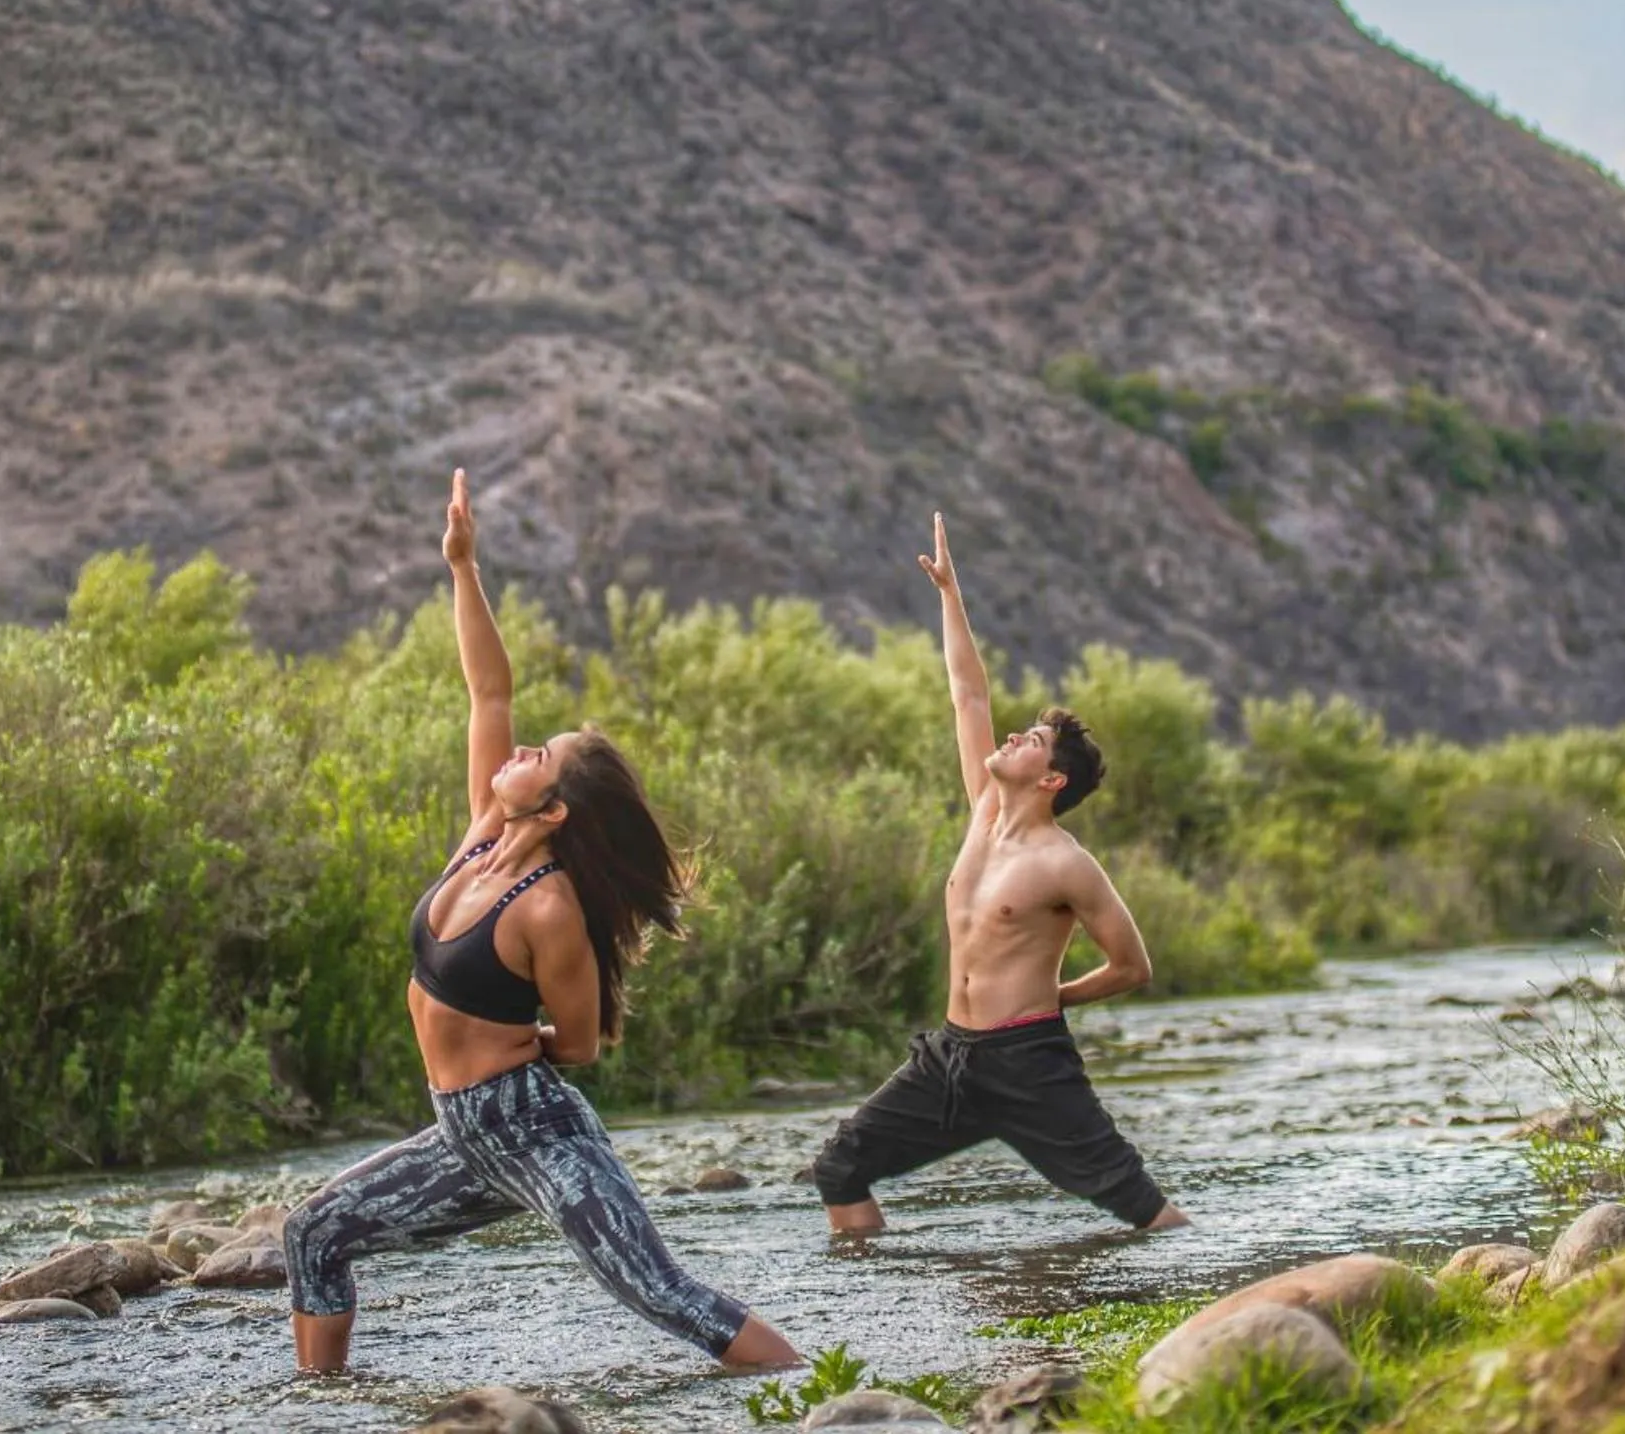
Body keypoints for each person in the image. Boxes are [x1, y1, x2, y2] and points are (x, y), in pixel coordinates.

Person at [283, 470, 802, 1374]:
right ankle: (318, 1406)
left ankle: (818, 1392)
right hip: (461, 1134)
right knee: (312, 1233)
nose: (523, 748)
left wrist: (517, 1054)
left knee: (662, 1293)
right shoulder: (487, 831)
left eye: (542, 757)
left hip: (534, 1132)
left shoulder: (550, 909)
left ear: (554, 809)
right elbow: (488, 692)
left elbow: (585, 1043)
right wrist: (462, 566)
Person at [811, 514, 1189, 1236]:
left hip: (1029, 1062)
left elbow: (1132, 966)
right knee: (839, 1169)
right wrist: (950, 595)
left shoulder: (1065, 863)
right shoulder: (984, 812)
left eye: (1032, 740)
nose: (1013, 736)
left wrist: (1057, 998)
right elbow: (969, 694)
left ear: (1051, 779)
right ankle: (870, 1292)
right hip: (951, 1055)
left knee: (1142, 1209)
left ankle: (1216, 1292)